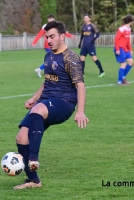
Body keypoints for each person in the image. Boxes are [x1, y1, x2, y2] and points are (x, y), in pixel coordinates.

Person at [13, 21, 89, 189]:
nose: (48, 40)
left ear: (63, 36)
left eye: (52, 36)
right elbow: (47, 82)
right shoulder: (48, 56)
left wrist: (80, 111)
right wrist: (34, 98)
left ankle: (33, 158)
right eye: (47, 37)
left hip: (64, 103)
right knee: (21, 137)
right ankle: (34, 180)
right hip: (45, 102)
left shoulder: (71, 58)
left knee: (38, 110)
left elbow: (80, 86)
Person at [114, 15, 134, 85]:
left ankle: (123, 77)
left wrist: (130, 49)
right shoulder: (122, 28)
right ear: (130, 22)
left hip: (125, 49)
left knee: (131, 62)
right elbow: (117, 38)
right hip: (120, 48)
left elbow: (128, 41)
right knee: (123, 64)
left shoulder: (129, 29)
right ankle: (119, 82)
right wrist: (117, 49)